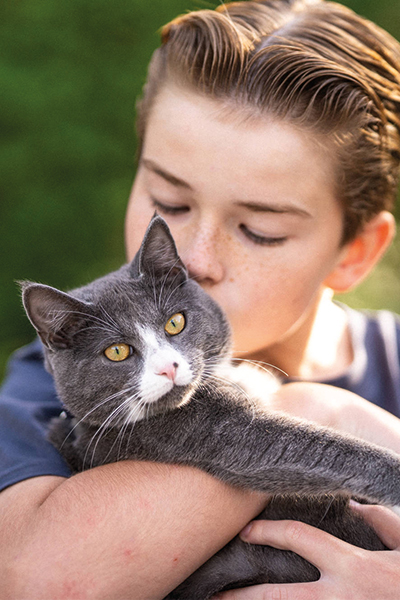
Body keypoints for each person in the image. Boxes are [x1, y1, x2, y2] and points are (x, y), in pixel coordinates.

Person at [1, 0, 400, 598]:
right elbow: (38, 582)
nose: (195, 259)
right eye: (171, 202)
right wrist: (318, 412)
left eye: (259, 229)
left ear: (356, 252)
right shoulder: (48, 393)